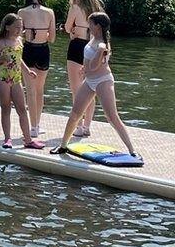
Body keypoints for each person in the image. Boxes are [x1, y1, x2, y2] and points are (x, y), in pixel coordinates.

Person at [51, 12, 139, 157]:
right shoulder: (93, 38)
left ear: (97, 26)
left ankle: (131, 150)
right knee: (75, 113)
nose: (88, 26)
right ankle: (63, 145)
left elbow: (93, 66)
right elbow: (88, 64)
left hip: (103, 81)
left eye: (90, 23)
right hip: (90, 81)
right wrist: (83, 68)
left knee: (112, 117)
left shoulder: (102, 45)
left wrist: (97, 55)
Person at [0, 14, 46, 149]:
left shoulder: (19, 41)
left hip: (16, 78)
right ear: (7, 27)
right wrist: (0, 58)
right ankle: (7, 138)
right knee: (6, 108)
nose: (19, 29)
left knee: (22, 109)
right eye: (16, 27)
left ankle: (28, 139)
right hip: (2, 78)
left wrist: (27, 71)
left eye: (21, 27)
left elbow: (18, 59)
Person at [64, 0, 103, 137]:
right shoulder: (97, 6)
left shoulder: (75, 6)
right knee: (90, 88)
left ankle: (78, 125)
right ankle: (87, 126)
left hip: (77, 46)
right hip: (93, 47)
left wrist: (72, 32)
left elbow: (67, 26)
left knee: (76, 89)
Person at [18, 0, 56, 138]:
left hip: (28, 50)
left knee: (30, 90)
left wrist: (29, 32)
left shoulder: (22, 12)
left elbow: (17, 35)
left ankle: (32, 127)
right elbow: (52, 38)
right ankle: (37, 125)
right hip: (43, 50)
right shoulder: (49, 12)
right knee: (40, 90)